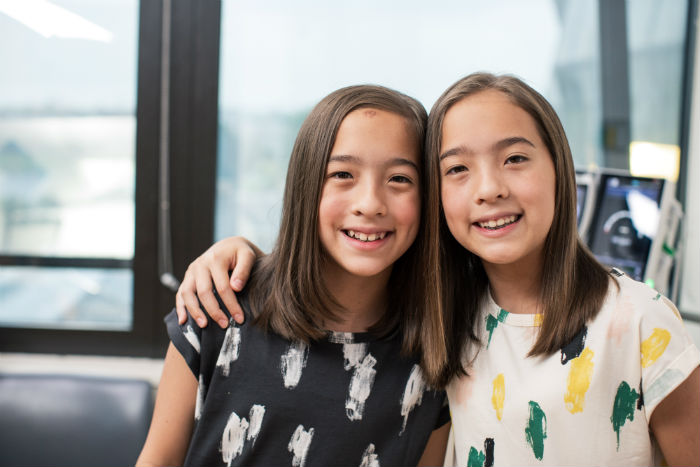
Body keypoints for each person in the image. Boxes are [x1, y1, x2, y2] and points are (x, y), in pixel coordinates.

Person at [175, 73, 700, 466]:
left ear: (560, 167)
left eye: (515, 158)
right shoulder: (446, 324)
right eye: (457, 169)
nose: (489, 188)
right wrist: (243, 254)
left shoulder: (639, 320)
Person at [136, 84, 452, 467]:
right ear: (305, 186)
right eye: (342, 174)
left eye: (400, 179)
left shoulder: (437, 352)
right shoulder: (217, 311)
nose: (370, 204)